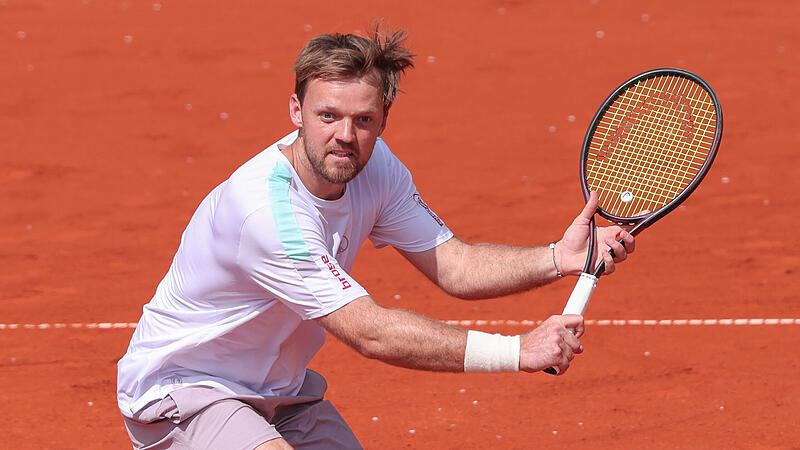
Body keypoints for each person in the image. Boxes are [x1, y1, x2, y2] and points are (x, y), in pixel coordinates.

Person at [117, 28, 636, 449]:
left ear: (384, 120)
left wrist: (557, 258)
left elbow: (455, 265)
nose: (346, 135)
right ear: (296, 112)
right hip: (185, 391)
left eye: (363, 120)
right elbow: (371, 332)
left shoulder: (375, 167)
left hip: (279, 393)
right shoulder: (267, 214)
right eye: (328, 116)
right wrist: (516, 351)